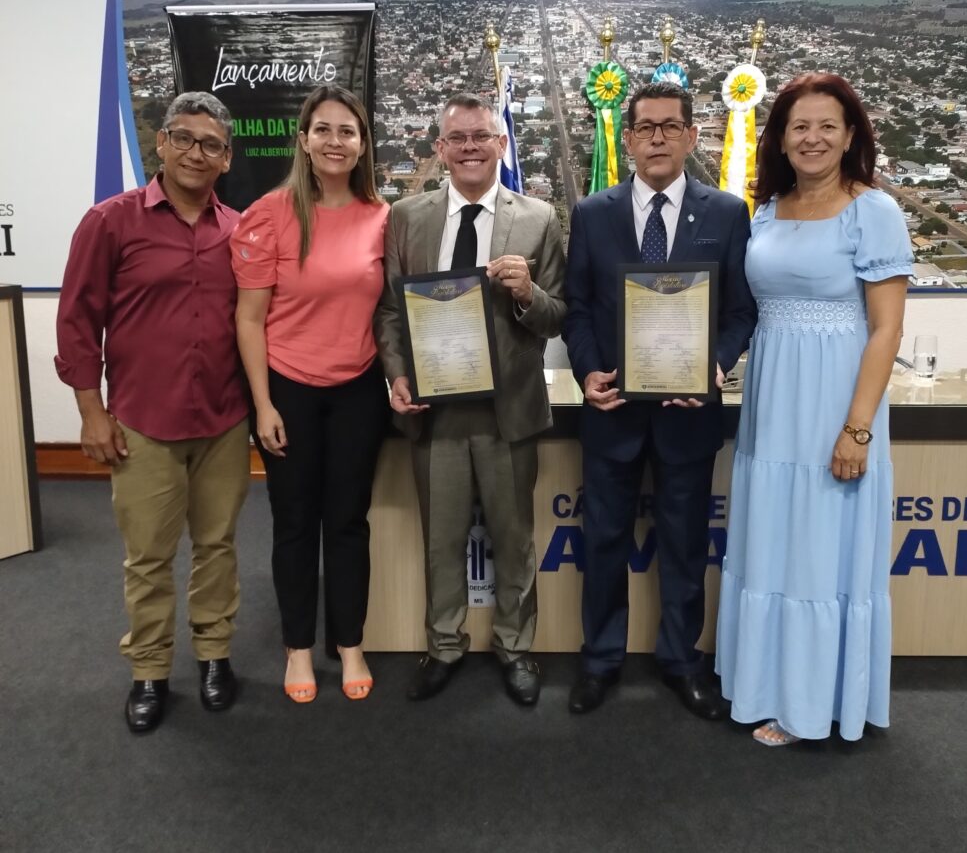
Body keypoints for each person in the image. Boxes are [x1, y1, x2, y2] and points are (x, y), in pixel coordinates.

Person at [714, 73, 913, 745]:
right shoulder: (767, 210)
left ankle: (811, 706)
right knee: (773, 540)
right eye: (800, 126)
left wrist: (857, 428)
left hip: (836, 402)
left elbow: (886, 329)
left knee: (819, 550)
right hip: (773, 404)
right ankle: (767, 685)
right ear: (780, 137)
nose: (813, 138)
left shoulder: (873, 210)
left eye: (828, 125)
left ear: (851, 134)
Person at [55, 92, 249, 733]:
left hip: (224, 418)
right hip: (142, 421)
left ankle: (215, 656)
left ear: (226, 159)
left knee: (218, 546)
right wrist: (91, 412)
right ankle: (149, 669)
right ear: (160, 144)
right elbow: (78, 321)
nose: (197, 153)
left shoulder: (239, 229)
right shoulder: (111, 222)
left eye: (212, 144)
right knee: (148, 556)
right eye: (185, 138)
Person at [563, 81, 757, 716]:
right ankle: (600, 661)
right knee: (605, 540)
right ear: (627, 139)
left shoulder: (727, 213)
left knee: (684, 543)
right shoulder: (593, 213)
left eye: (671, 127)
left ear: (692, 136)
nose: (657, 137)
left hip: (688, 415)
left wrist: (714, 367)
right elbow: (579, 308)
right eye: (645, 127)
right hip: (613, 409)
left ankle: (681, 661)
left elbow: (739, 311)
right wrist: (588, 372)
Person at [374, 92, 566, 706]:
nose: (469, 148)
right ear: (440, 148)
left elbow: (558, 317)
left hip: (509, 410)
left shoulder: (538, 218)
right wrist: (397, 375)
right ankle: (444, 644)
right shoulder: (406, 216)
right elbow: (390, 312)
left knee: (514, 539)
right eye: (456, 138)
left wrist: (527, 292)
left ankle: (515, 646)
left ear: (501, 143)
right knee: (442, 537)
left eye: (481, 136)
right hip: (436, 410)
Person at [233, 86, 390, 704]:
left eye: (347, 132)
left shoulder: (382, 215)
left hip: (359, 390)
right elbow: (248, 319)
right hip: (287, 391)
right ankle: (298, 645)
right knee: (295, 524)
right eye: (322, 129)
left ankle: (348, 640)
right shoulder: (267, 214)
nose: (334, 141)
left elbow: (393, 312)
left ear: (361, 145)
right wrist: (263, 404)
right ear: (303, 140)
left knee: (349, 523)